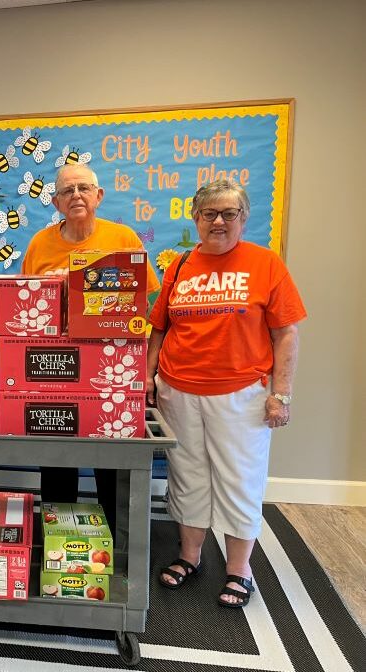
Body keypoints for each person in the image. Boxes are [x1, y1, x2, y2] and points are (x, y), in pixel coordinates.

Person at [147, 180, 305, 608]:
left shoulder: (264, 263)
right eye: (209, 213)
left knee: (240, 478)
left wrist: (282, 394)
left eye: (228, 213)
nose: (218, 221)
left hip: (241, 394)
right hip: (178, 390)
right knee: (187, 474)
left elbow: (286, 333)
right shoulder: (180, 266)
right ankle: (189, 556)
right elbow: (160, 327)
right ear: (196, 218)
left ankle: (239, 569)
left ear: (243, 218)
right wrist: (149, 377)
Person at [21, 163, 161, 527]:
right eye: (67, 190)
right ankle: (59, 539)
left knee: (109, 458)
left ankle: (112, 539)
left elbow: (144, 301)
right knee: (56, 457)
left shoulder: (123, 238)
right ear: (55, 201)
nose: (76, 195)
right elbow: (24, 303)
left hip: (110, 366)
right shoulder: (39, 244)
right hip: (51, 367)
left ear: (99, 195)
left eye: (83, 188)